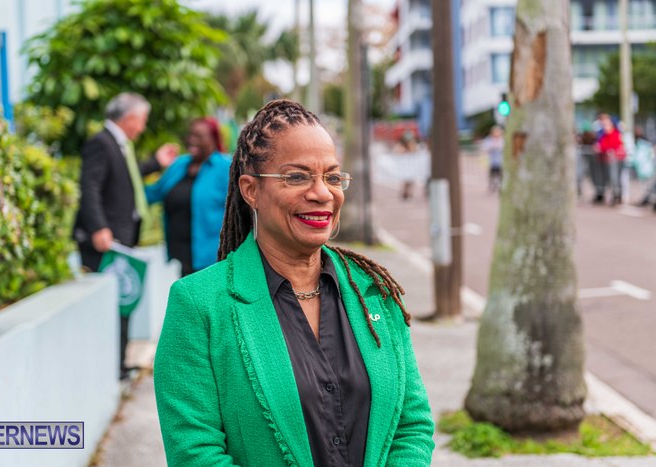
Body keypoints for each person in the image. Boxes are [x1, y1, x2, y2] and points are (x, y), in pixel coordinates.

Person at [154, 100, 435, 466]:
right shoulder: (199, 305)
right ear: (251, 190)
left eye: (332, 177)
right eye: (298, 177)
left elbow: (411, 425)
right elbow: (195, 453)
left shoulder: (374, 292)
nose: (322, 193)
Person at [72, 92, 178, 379]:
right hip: (105, 241)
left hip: (121, 239)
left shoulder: (119, 145)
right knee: (110, 306)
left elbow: (126, 176)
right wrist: (98, 227)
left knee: (124, 301)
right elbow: (89, 187)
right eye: (142, 120)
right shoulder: (101, 142)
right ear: (129, 118)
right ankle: (111, 367)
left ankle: (119, 364)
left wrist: (155, 163)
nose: (142, 127)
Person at [145, 117, 231, 277]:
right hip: (182, 257)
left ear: (213, 139)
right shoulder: (179, 164)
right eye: (190, 135)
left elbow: (242, 206)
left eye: (199, 136)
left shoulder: (225, 167)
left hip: (213, 260)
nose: (192, 140)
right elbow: (152, 194)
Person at [594, 113, 626, 205]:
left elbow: (616, 145)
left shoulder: (616, 133)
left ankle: (617, 195)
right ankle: (614, 195)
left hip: (616, 159)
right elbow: (602, 145)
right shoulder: (604, 135)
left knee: (615, 177)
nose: (605, 126)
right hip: (608, 160)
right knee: (611, 177)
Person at [482, 125, 504, 192]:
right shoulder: (489, 140)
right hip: (492, 162)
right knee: (492, 175)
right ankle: (492, 186)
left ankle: (499, 186)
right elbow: (485, 148)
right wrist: (493, 146)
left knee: (500, 175)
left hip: (500, 161)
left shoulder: (502, 140)